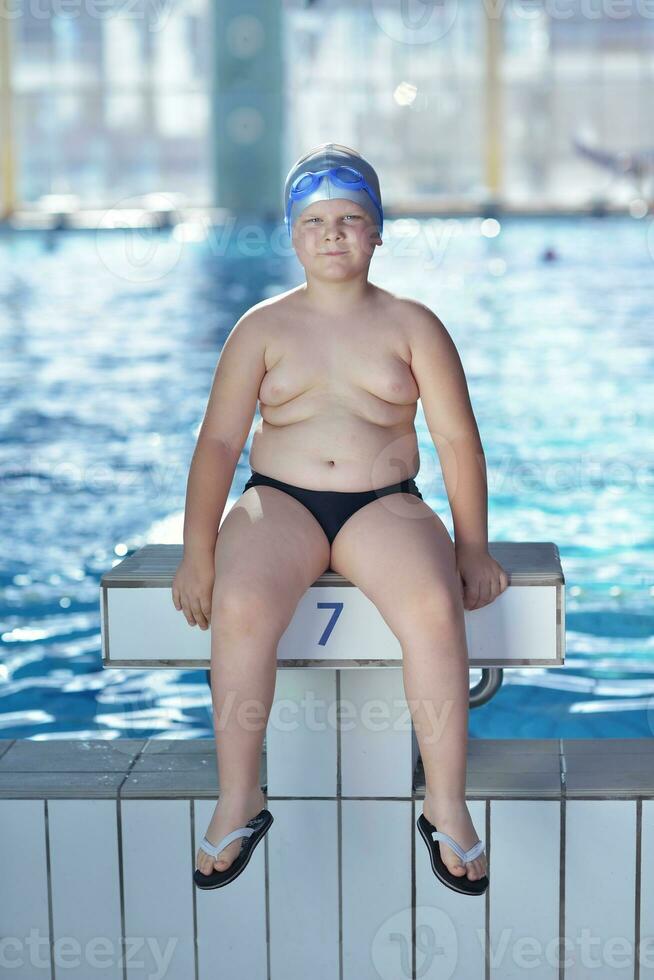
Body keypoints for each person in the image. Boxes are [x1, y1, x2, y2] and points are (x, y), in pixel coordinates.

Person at [172, 142, 508, 894]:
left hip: (383, 503)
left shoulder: (414, 324)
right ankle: (240, 794)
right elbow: (219, 442)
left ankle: (445, 803)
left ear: (378, 232)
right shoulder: (260, 328)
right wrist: (198, 553)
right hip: (279, 499)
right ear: (293, 235)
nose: (333, 233)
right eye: (317, 221)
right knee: (240, 601)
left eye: (352, 219)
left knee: (431, 603)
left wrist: (473, 547)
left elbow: (457, 441)